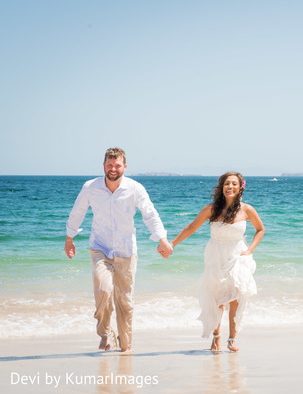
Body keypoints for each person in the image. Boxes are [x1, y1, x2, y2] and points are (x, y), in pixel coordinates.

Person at [65, 147, 173, 352]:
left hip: (126, 250)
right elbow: (77, 212)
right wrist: (69, 238)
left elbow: (150, 214)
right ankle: (105, 333)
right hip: (100, 248)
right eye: (109, 165)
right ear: (103, 166)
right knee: (103, 290)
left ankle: (125, 343)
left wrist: (162, 239)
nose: (113, 169)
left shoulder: (135, 188)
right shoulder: (91, 187)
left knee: (125, 300)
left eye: (117, 165)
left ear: (124, 167)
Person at [169, 172, 264, 352]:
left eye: (234, 184)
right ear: (221, 187)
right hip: (215, 255)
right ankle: (216, 337)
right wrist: (172, 244)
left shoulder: (247, 209)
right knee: (217, 298)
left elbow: (260, 229)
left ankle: (232, 339)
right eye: (227, 183)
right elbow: (191, 227)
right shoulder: (211, 209)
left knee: (236, 295)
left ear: (240, 187)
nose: (230, 187)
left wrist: (250, 249)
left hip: (238, 256)